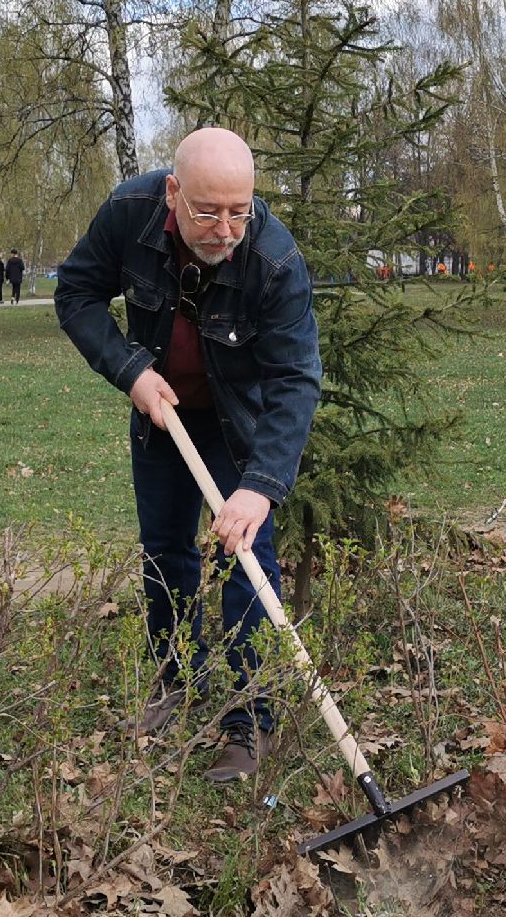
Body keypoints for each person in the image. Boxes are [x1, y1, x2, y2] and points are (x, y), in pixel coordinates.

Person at [54, 127, 321, 784]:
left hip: (239, 427)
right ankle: (175, 683)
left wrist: (259, 487)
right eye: (207, 211)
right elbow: (76, 293)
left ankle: (249, 719)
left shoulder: (276, 260)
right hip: (161, 413)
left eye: (240, 210)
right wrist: (129, 371)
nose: (226, 227)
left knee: (248, 556)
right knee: (165, 551)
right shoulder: (128, 214)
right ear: (173, 193)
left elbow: (294, 378)